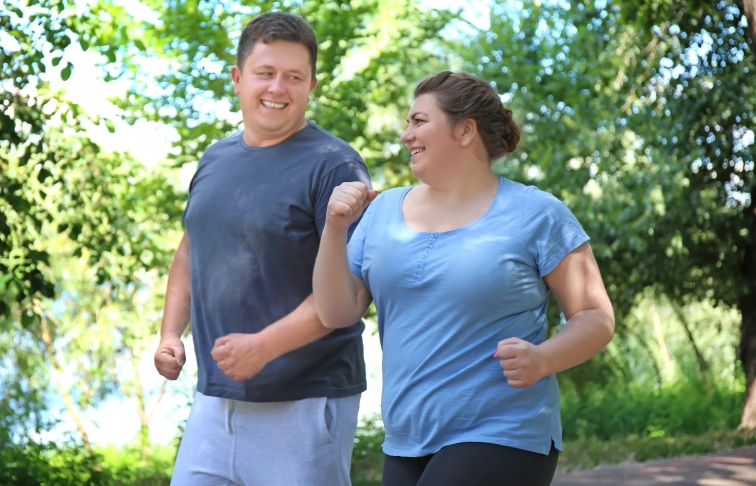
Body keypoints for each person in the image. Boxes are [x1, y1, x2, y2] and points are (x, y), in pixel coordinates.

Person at [313, 71, 616, 486]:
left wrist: (545, 359)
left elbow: (596, 316)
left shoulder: (536, 213)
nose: (406, 136)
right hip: (406, 438)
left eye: (419, 121)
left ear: (465, 130)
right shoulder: (381, 211)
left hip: (504, 431)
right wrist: (333, 228)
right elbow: (335, 312)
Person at [153, 12, 371, 486]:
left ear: (311, 84)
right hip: (213, 403)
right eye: (265, 73)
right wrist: (171, 334)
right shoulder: (215, 159)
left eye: (293, 77)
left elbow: (351, 293)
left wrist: (264, 346)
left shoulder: (336, 165)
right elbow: (192, 250)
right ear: (237, 78)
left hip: (307, 404)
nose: (278, 88)